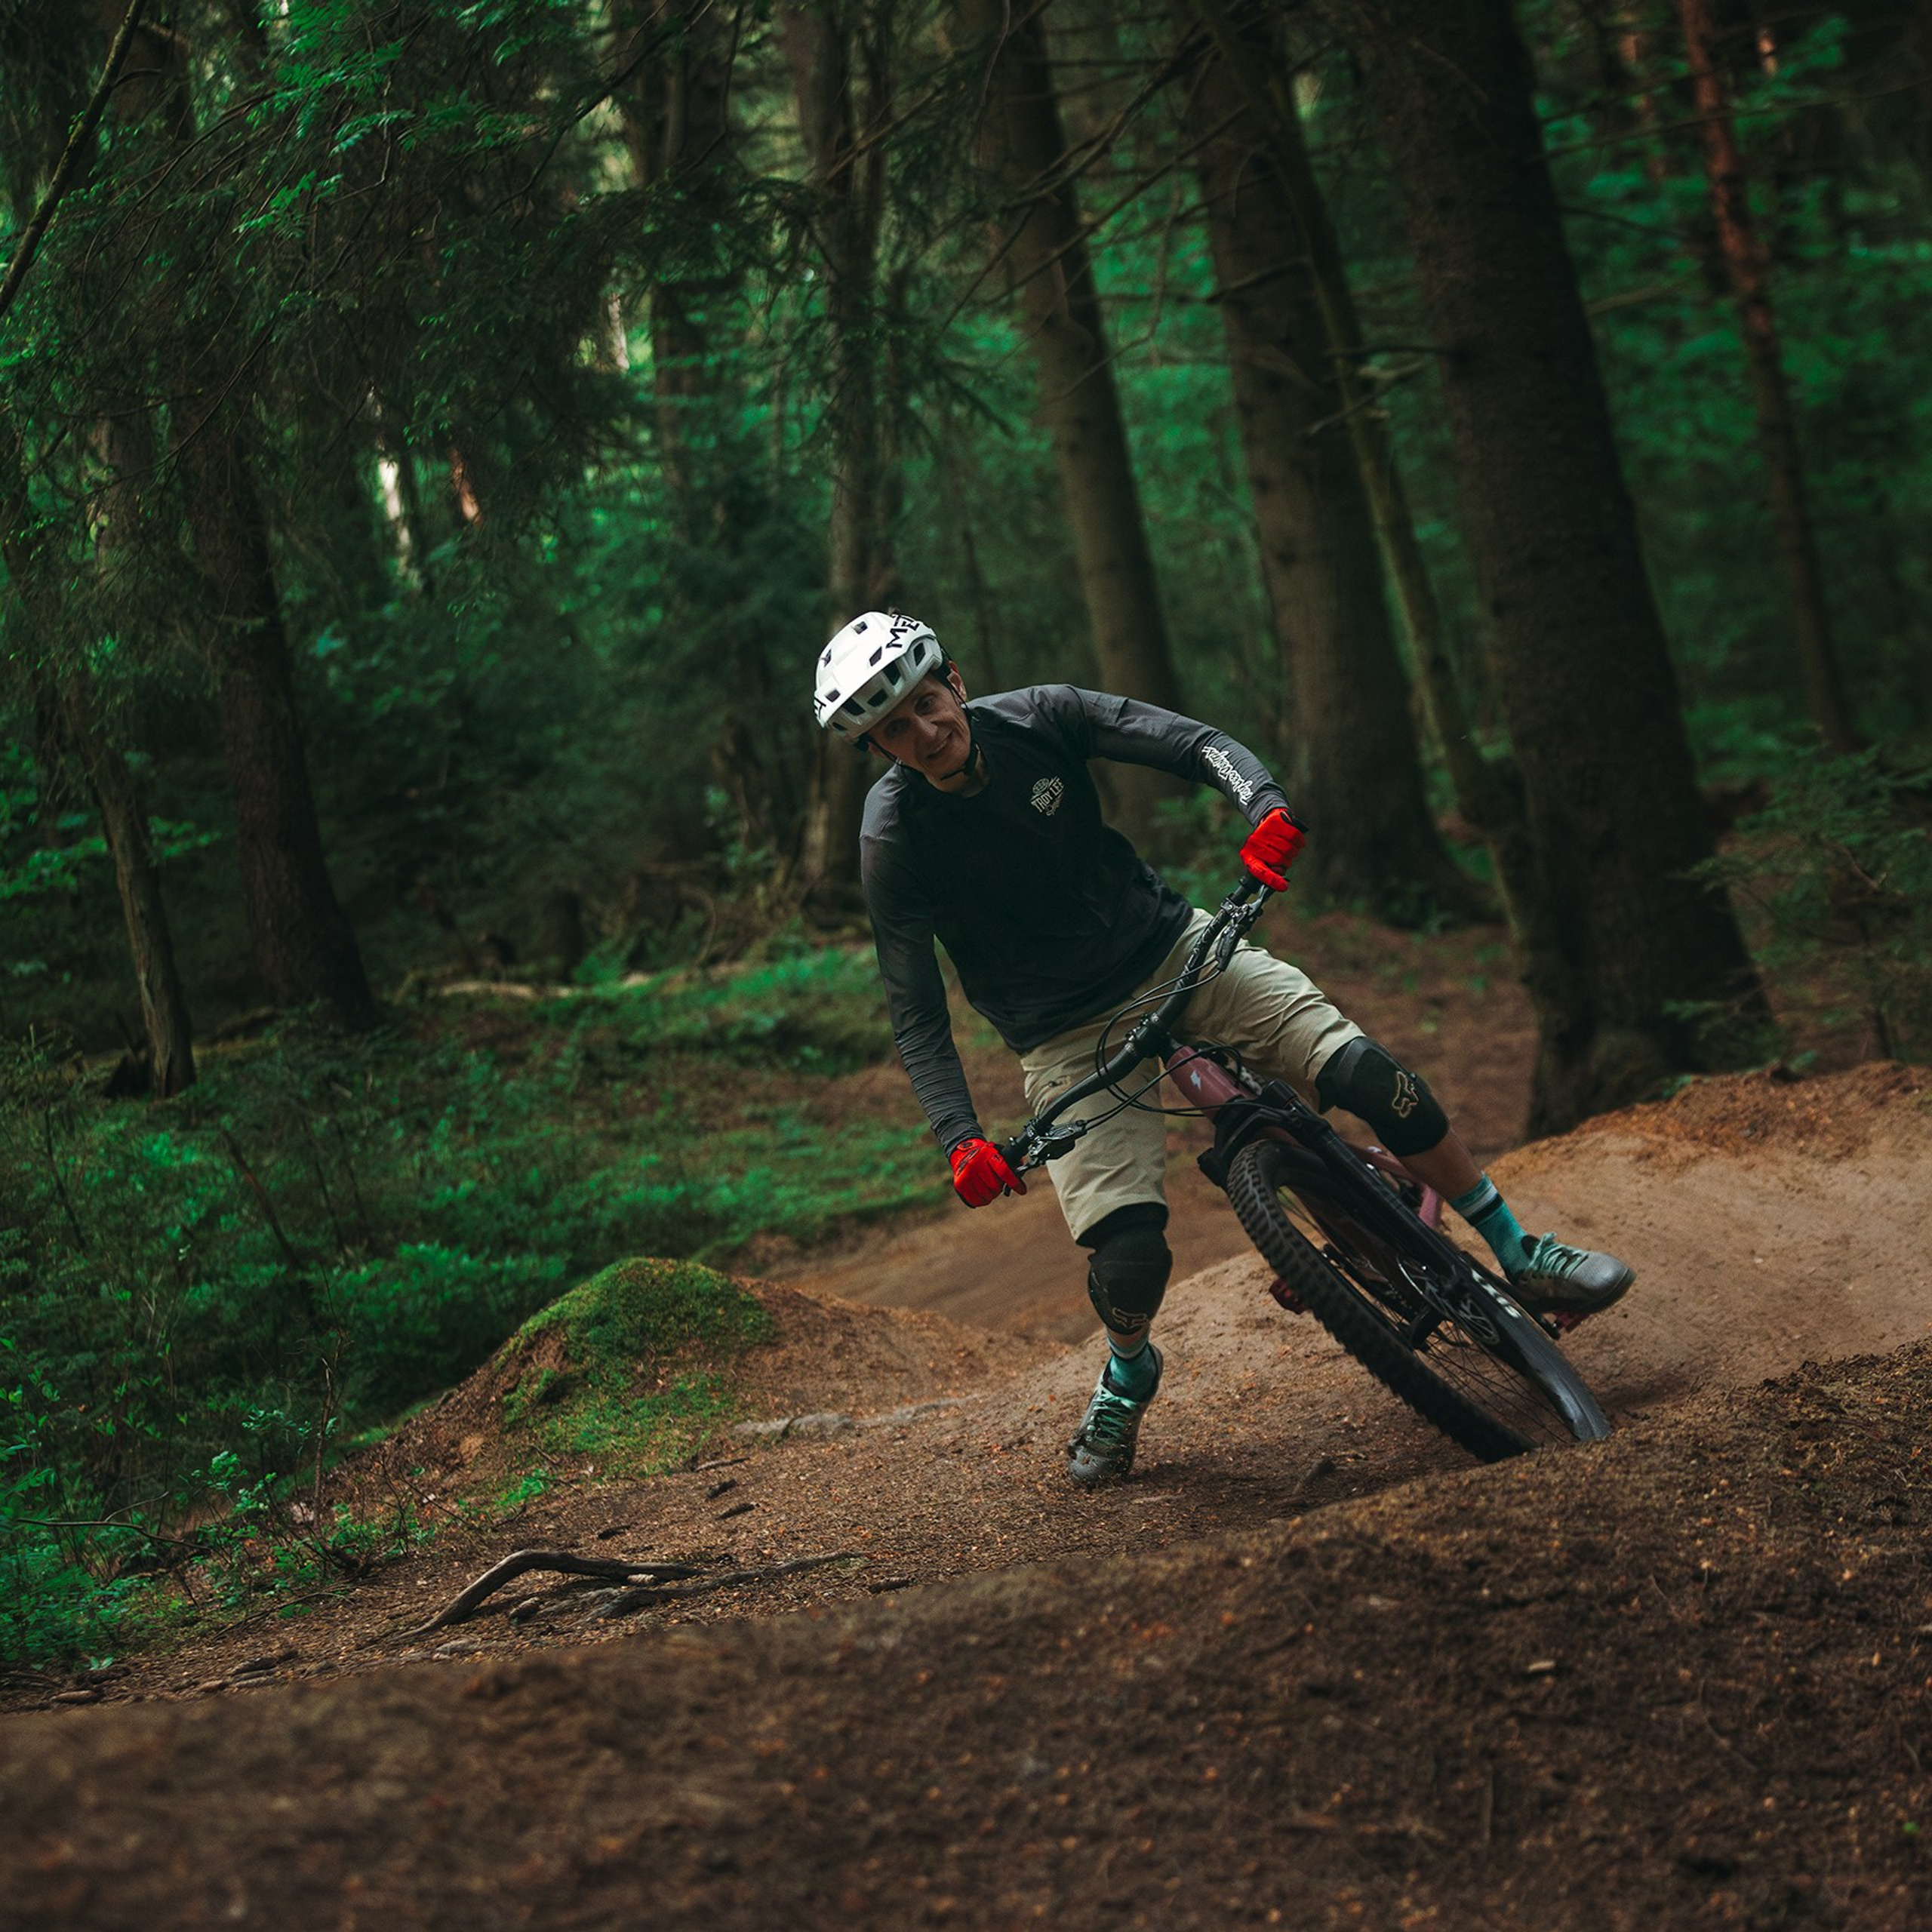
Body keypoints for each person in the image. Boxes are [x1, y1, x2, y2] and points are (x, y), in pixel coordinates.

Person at [815, 611, 1634, 1486]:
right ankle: (1128, 1371)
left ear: (955, 682)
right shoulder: (893, 838)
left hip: (1177, 949)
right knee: (1128, 1258)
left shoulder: (1042, 716)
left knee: (1367, 1074)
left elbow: (1194, 743)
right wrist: (959, 1137)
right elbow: (916, 1013)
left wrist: (1264, 805)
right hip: (1063, 1035)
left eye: (927, 702)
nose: (924, 732)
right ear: (877, 749)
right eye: (894, 729)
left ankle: (1519, 1250)